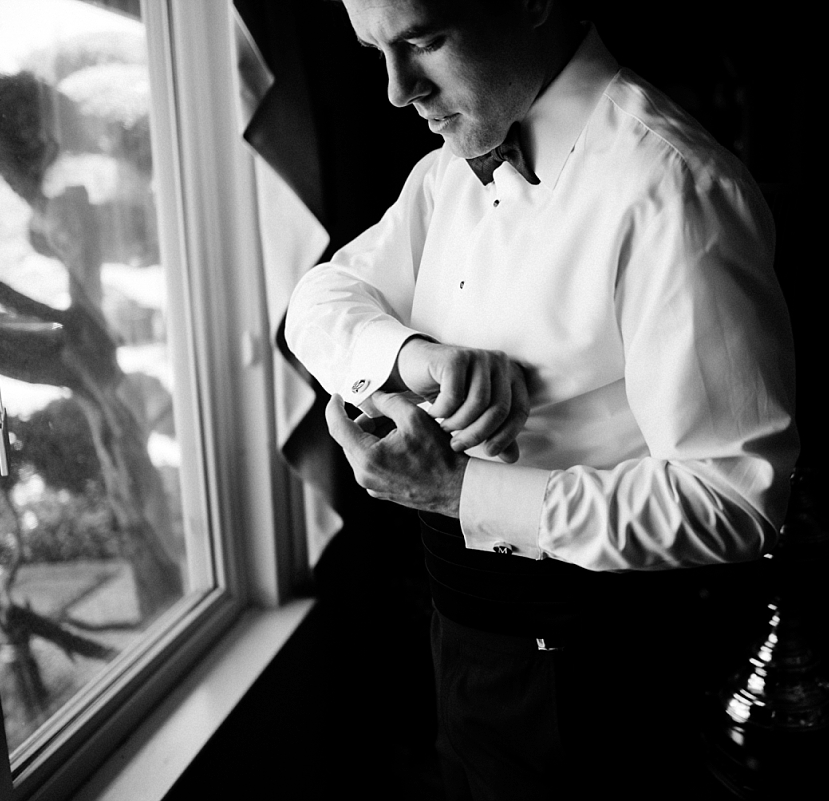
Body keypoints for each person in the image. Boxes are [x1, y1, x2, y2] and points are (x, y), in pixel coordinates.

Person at [285, 0, 799, 797]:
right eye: (374, 52)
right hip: (461, 644)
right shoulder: (442, 176)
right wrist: (419, 360)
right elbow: (314, 306)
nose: (395, 91)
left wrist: (461, 491)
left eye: (424, 41)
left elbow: (735, 498)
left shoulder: (673, 190)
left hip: (597, 688)